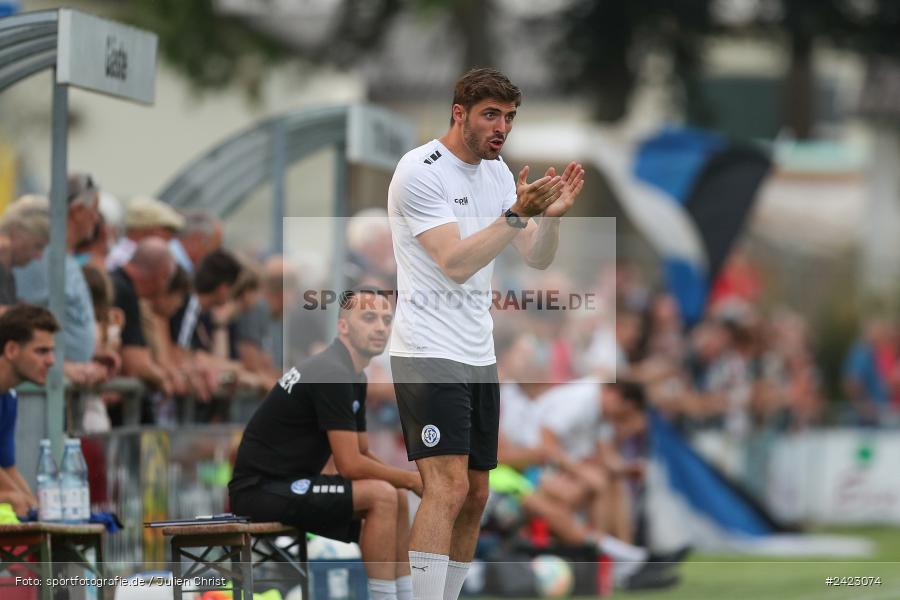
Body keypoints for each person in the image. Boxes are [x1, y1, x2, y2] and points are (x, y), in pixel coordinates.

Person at [387, 67, 584, 599]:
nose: (502, 127)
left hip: (477, 351)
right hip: (426, 350)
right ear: (459, 114)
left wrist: (552, 218)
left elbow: (536, 259)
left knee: (477, 492)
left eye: (510, 117)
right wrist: (519, 214)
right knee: (446, 488)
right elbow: (453, 262)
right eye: (491, 115)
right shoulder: (420, 170)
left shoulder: (497, 173)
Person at [229, 290, 423, 600]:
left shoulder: (354, 375)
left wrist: (405, 482)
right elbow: (349, 466)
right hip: (261, 490)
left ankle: (406, 595)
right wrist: (412, 479)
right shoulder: (332, 373)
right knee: (384, 496)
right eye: (369, 318)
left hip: (291, 483)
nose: (380, 328)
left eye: (387, 320)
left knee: (396, 495)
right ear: (343, 327)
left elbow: (361, 453)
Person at [0, 304, 59, 515]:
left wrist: (37, 510)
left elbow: (8, 468)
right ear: (11, 350)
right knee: (12, 502)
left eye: (52, 351)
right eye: (41, 351)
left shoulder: (8, 396)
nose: (51, 360)